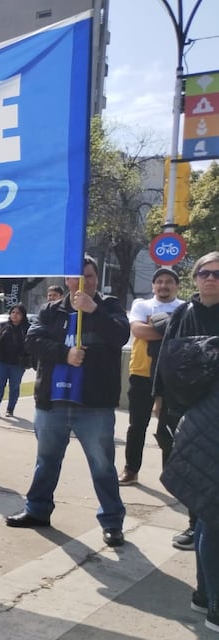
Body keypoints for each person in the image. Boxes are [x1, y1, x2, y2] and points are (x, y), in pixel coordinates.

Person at [6, 255, 129, 547]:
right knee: (46, 460)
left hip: (94, 404)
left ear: (97, 279)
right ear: (67, 281)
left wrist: (94, 310)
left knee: (102, 465)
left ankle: (112, 521)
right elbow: (33, 341)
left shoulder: (109, 307)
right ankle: (37, 509)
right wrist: (65, 354)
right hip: (54, 402)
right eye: (77, 277)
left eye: (89, 276)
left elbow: (120, 335)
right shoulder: (50, 311)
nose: (83, 282)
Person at [154, 251, 219, 625]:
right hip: (197, 422)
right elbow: (168, 365)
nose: (211, 279)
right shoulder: (184, 314)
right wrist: (162, 413)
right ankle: (212, 603)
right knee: (208, 512)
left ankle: (204, 593)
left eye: (217, 274)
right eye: (205, 273)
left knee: (208, 514)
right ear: (195, 278)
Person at [118, 266, 183, 488]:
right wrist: (171, 331)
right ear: (153, 285)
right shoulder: (142, 305)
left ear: (177, 285)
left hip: (172, 376)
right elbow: (138, 331)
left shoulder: (184, 308)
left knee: (169, 426)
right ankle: (131, 469)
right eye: (160, 281)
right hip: (142, 373)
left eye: (169, 282)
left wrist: (154, 329)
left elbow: (186, 337)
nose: (164, 285)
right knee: (137, 425)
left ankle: (171, 475)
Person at [0, 303, 32, 419]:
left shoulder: (27, 328)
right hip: (2, 362)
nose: (15, 315)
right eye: (13, 312)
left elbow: (30, 346)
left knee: (14, 387)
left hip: (18, 364)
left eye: (18, 313)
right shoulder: (4, 326)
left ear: (23, 315)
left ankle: (10, 409)